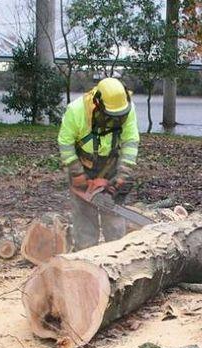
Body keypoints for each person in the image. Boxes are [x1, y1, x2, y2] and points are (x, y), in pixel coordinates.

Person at [58, 77, 140, 249]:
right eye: (111, 116)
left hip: (110, 164)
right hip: (82, 164)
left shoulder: (128, 108)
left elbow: (130, 141)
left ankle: (117, 254)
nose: (116, 119)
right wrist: (77, 173)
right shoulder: (76, 110)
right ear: (97, 104)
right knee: (84, 216)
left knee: (114, 217)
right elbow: (65, 143)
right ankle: (86, 255)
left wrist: (123, 173)